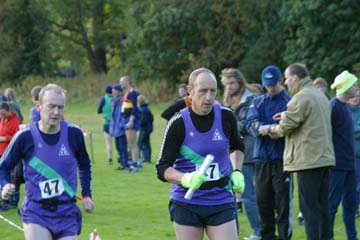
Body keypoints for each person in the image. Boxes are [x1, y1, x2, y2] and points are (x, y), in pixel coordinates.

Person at [156, 68, 245, 240]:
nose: (209, 97)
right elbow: (162, 168)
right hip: (186, 202)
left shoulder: (226, 116)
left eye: (213, 91)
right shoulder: (178, 123)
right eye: (203, 91)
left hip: (221, 199)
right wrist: (185, 178)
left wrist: (237, 171)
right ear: (190, 91)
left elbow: (237, 146)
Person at [0, 83, 94, 240]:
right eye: (51, 107)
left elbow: (84, 165)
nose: (56, 112)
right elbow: (3, 167)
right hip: (36, 211)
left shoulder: (74, 134)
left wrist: (86, 195)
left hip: (67, 212)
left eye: (60, 107)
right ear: (38, 106)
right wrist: (4, 185)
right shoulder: (25, 137)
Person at [268, 63, 335, 240]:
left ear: (295, 78)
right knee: (322, 208)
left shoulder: (300, 98)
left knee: (309, 210)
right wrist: (285, 115)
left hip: (308, 161)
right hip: (324, 158)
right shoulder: (320, 96)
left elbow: (285, 128)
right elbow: (308, 120)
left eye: (287, 78)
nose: (286, 82)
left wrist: (269, 130)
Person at [246, 65, 292, 240]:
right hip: (261, 160)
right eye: (267, 85)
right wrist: (264, 128)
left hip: (282, 160)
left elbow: (292, 124)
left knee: (283, 207)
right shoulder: (258, 101)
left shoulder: (290, 101)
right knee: (263, 205)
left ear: (280, 80)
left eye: (273, 84)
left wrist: (275, 129)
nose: (271, 88)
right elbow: (250, 124)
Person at [220, 67, 261, 240]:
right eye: (226, 84)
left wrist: (229, 125)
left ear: (240, 81)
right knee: (229, 196)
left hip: (248, 153)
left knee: (248, 195)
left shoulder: (252, 98)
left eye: (231, 83)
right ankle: (232, 233)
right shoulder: (226, 100)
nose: (229, 87)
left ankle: (259, 231)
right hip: (228, 152)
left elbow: (249, 125)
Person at [328, 70, 359, 240]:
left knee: (351, 204)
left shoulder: (346, 106)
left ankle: (352, 238)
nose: (356, 88)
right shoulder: (333, 107)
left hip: (349, 164)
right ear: (346, 87)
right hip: (336, 165)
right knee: (332, 205)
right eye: (354, 85)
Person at [0, 101, 22, 211]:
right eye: (0, 114)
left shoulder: (16, 121)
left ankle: (12, 202)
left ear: (9, 111)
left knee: (13, 178)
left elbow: (18, 137)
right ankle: (4, 200)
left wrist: (4, 138)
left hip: (10, 154)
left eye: (3, 113)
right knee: (2, 177)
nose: (1, 116)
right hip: (1, 152)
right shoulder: (3, 120)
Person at [109, 84, 132, 172]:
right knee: (118, 147)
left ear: (118, 91)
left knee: (123, 147)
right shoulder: (114, 100)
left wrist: (123, 124)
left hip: (121, 128)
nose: (113, 92)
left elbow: (126, 114)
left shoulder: (124, 100)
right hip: (115, 128)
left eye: (114, 90)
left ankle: (125, 164)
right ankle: (122, 164)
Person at [119, 76, 141, 169]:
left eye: (122, 82)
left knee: (132, 143)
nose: (120, 84)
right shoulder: (126, 93)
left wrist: (131, 120)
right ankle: (134, 162)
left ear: (127, 81)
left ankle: (135, 163)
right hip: (126, 119)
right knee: (131, 143)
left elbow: (135, 108)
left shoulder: (132, 93)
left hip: (131, 120)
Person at [348, 95, 360, 218]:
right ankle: (354, 208)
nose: (355, 98)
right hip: (352, 155)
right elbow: (348, 130)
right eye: (353, 96)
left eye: (357, 96)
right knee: (354, 184)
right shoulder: (345, 111)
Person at [97, 85, 114, 165]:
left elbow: (99, 111)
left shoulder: (103, 99)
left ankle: (110, 159)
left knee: (109, 143)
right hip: (116, 123)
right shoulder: (116, 99)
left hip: (106, 123)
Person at [137, 95, 154, 163]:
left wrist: (138, 124)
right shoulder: (146, 108)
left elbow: (143, 120)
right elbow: (152, 118)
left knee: (140, 144)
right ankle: (147, 159)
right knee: (146, 143)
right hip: (148, 129)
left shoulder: (143, 109)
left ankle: (137, 158)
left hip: (144, 129)